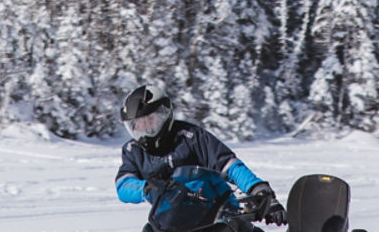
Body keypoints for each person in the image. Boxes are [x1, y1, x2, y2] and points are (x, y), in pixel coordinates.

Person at [115, 84, 285, 224]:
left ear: (164, 115)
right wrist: (146, 188)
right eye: (136, 125)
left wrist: (258, 189)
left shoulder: (191, 136)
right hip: (169, 226)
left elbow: (230, 166)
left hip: (218, 217)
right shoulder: (133, 150)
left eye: (149, 121)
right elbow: (123, 185)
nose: (144, 130)